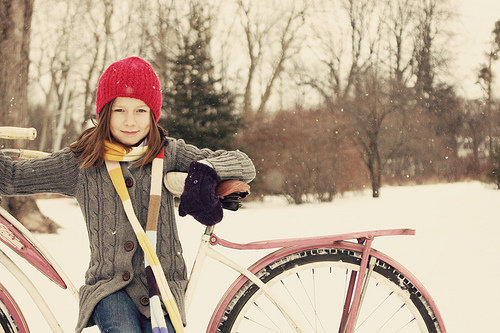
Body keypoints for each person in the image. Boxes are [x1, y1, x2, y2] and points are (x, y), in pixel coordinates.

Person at [0, 56, 256, 333]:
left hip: (163, 283)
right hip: (110, 286)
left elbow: (244, 164)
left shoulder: (168, 153)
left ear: (153, 114)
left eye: (140, 111)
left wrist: (205, 170)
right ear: (104, 113)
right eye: (120, 110)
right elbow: (13, 177)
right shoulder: (82, 162)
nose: (130, 121)